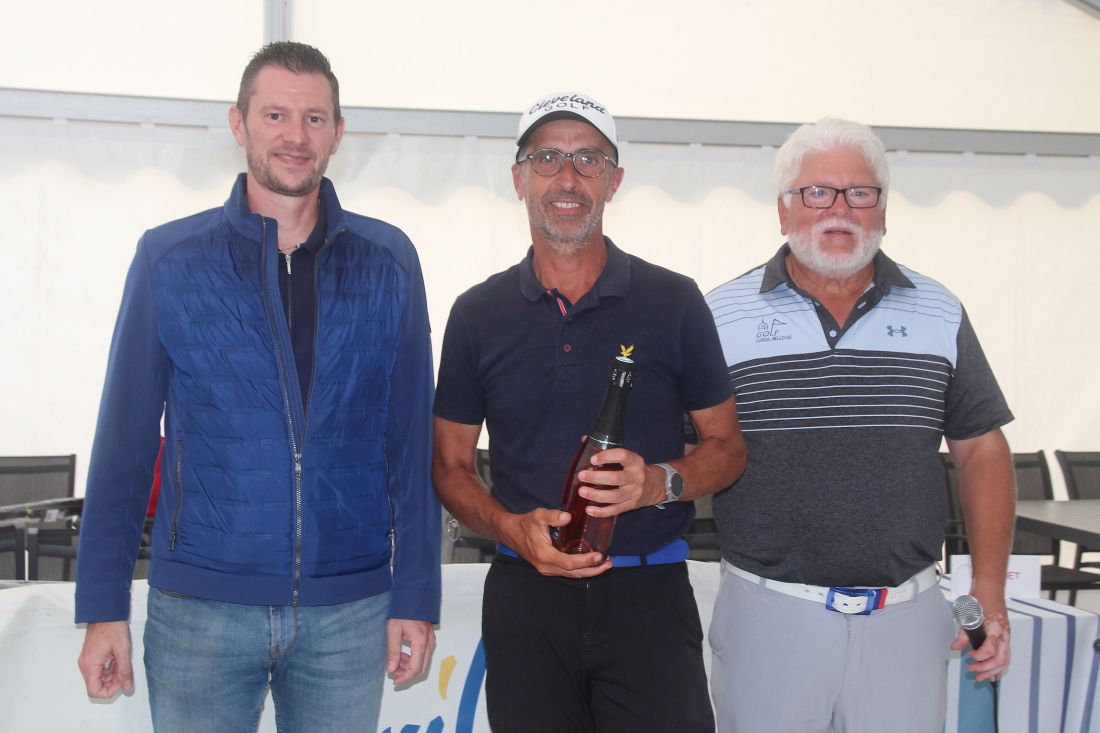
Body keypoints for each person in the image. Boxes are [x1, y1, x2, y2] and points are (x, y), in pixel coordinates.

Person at [74, 41, 440, 732]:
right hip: (200, 610)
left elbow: (411, 444)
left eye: (313, 118)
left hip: (348, 610)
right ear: (238, 123)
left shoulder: (389, 261)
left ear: (337, 132)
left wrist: (416, 595)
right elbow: (123, 443)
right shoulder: (169, 259)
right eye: (275, 115)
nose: (295, 135)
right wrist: (102, 606)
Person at [432, 91, 747, 732]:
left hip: (649, 597)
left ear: (614, 180)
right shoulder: (477, 314)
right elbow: (449, 467)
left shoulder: (674, 301)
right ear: (519, 177)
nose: (568, 178)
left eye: (588, 160)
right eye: (547, 158)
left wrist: (659, 482)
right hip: (526, 597)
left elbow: (729, 448)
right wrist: (509, 528)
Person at [705, 117, 1014, 732]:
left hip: (908, 619)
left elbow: (981, 449)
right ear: (783, 209)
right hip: (769, 616)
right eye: (817, 192)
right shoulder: (719, 315)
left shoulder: (939, 310)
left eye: (860, 193)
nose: (839, 209)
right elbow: (690, 451)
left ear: (884, 211)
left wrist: (989, 588)